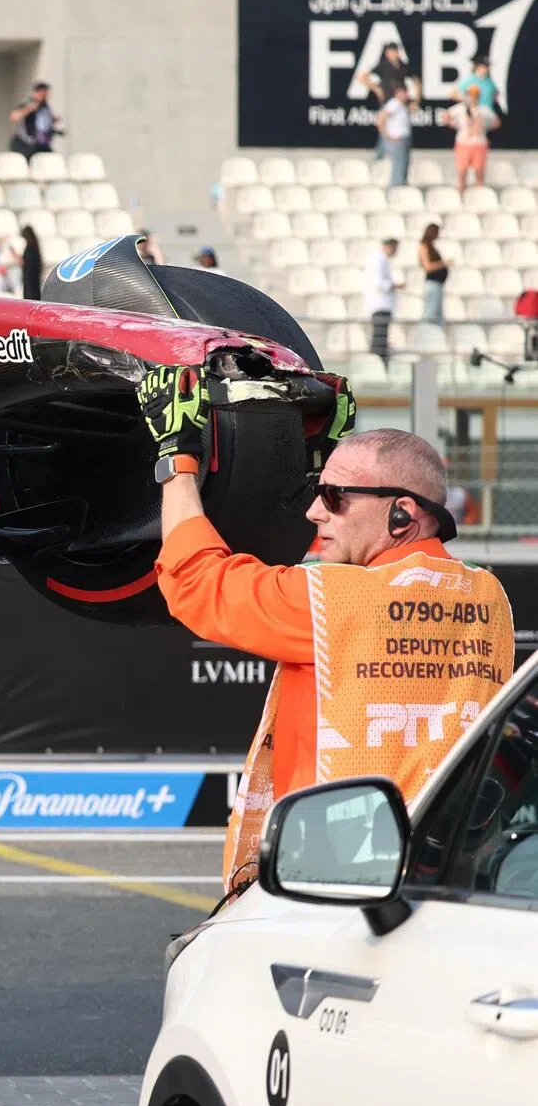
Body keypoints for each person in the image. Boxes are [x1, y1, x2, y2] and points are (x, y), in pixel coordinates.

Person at [135, 370, 514, 893]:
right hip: (444, 869)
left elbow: (196, 582)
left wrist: (176, 462)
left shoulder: (338, 600)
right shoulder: (488, 597)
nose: (315, 510)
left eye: (334, 497)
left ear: (402, 514)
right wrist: (324, 453)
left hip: (335, 873)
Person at [355, 42, 419, 159]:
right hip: (388, 103)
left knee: (399, 128)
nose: (394, 54)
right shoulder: (383, 66)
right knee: (384, 126)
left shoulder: (403, 66)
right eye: (391, 52)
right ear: (387, 53)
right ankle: (381, 154)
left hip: (401, 104)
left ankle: (395, 152)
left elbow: (416, 82)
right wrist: (377, 89)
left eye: (395, 51)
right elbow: (362, 77)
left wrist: (416, 100)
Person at [446, 83, 500, 192]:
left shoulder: (484, 110)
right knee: (462, 172)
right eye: (470, 95)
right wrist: (456, 125)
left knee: (479, 172)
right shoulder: (460, 108)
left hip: (479, 144)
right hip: (463, 143)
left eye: (474, 95)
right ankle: (461, 198)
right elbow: (446, 116)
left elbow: (496, 122)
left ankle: (478, 196)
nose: (472, 98)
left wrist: (484, 128)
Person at [364, 237, 401, 362]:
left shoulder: (382, 260)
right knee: (379, 338)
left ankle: (379, 360)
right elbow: (378, 283)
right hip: (380, 304)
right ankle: (377, 362)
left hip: (383, 305)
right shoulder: (378, 260)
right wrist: (394, 285)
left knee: (382, 337)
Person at [376, 83, 417, 188]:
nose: (407, 95)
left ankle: (402, 186)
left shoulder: (402, 105)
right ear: (398, 93)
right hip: (397, 140)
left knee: (404, 165)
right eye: (404, 92)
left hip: (404, 139)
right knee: (399, 166)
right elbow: (380, 119)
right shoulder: (394, 103)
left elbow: (415, 105)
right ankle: (396, 189)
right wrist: (387, 135)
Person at [9, 81, 61, 157]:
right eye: (45, 93)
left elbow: (42, 123)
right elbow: (14, 117)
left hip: (42, 143)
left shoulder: (45, 106)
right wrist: (29, 109)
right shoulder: (29, 102)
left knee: (52, 160)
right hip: (26, 144)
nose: (47, 96)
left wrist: (53, 119)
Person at [418, 223, 449, 326]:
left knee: (437, 315)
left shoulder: (432, 247)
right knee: (431, 313)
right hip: (432, 284)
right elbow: (428, 266)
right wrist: (443, 264)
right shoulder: (424, 246)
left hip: (438, 284)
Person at [17, 225, 43, 300]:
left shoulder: (30, 249)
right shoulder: (34, 247)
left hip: (29, 280)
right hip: (33, 279)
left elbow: (25, 263)